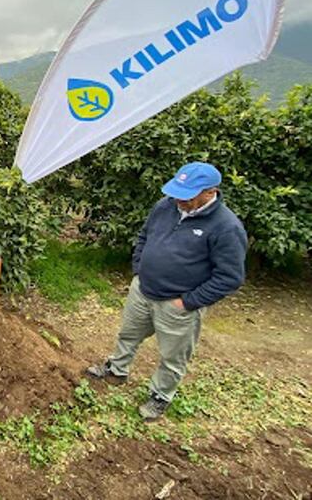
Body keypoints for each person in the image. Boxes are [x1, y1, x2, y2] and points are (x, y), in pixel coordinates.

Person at [86, 162, 247, 421]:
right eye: (177, 192)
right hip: (143, 290)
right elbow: (144, 236)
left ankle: (161, 396)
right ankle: (117, 370)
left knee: (173, 356)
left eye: (187, 195)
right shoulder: (165, 206)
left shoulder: (226, 227)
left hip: (177, 303)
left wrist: (188, 302)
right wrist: (138, 270)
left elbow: (230, 277)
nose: (178, 200)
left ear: (210, 192)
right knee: (128, 334)